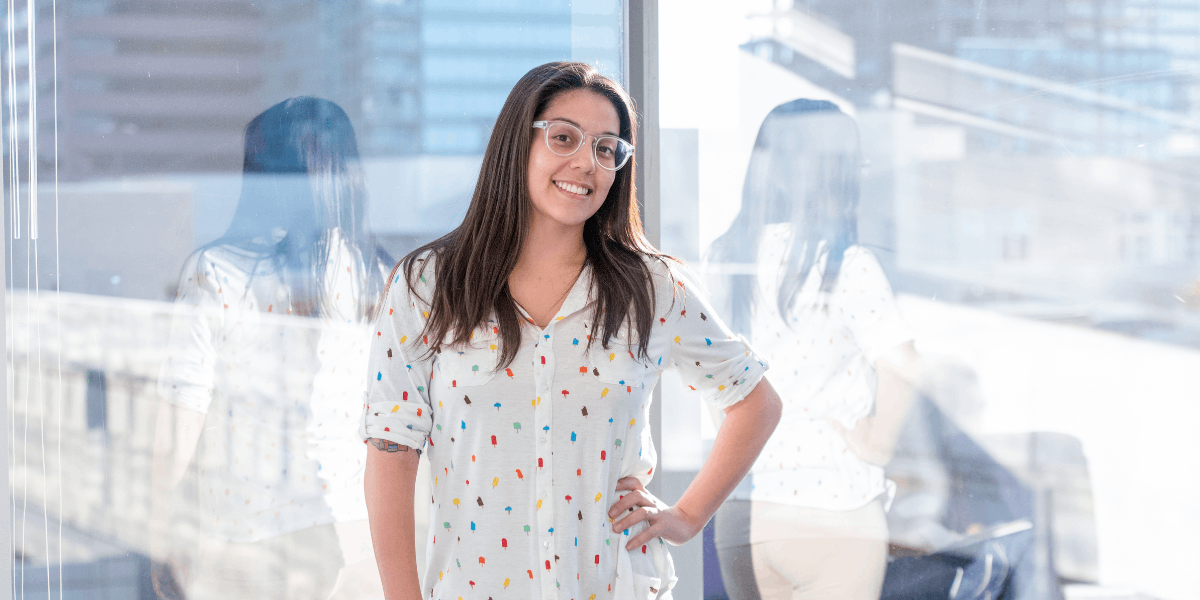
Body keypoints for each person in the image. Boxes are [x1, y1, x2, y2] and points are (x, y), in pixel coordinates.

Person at [361, 61, 783, 600]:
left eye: (607, 149)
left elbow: (755, 401)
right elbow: (390, 452)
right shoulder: (426, 284)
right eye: (564, 138)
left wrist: (686, 516)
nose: (586, 163)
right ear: (519, 143)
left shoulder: (653, 287)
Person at [152, 97, 391, 600]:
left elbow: (178, 427)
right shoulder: (380, 277)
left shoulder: (217, 272)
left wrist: (158, 534)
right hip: (357, 537)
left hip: (247, 539)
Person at [707, 99, 920, 600]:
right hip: (834, 507)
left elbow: (712, 383)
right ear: (838, 174)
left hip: (746, 507)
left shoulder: (723, 261)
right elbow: (904, 364)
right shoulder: (846, 264)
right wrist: (877, 443)